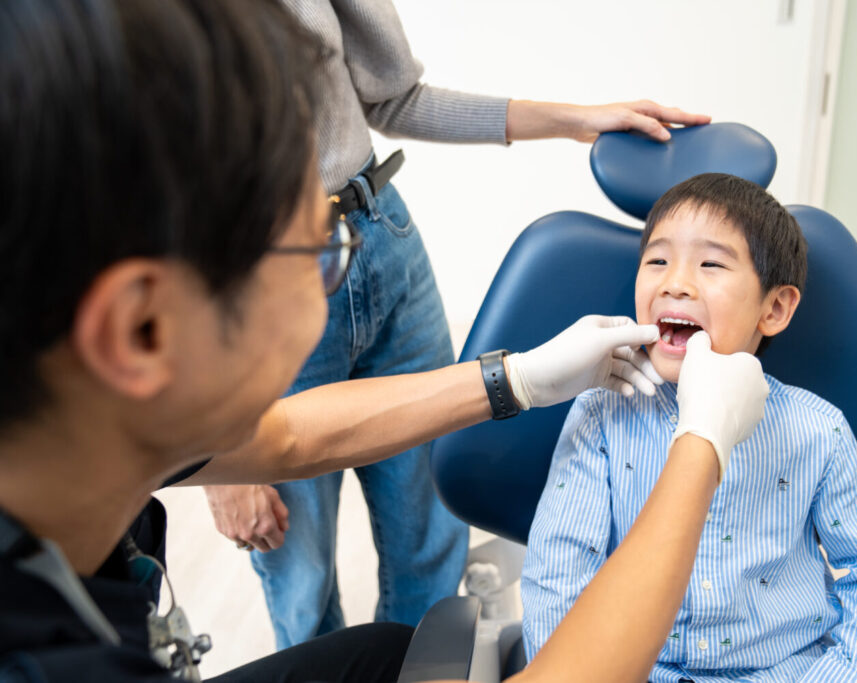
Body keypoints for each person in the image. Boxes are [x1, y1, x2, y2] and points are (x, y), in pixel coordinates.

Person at [0, 1, 771, 681]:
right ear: (143, 330)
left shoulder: (67, 414)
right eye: (319, 252)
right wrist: (702, 445)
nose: (336, 278)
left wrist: (519, 379)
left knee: (385, 653)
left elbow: (289, 436)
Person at [201, 0, 714, 649]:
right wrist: (217, 458)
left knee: (431, 535)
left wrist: (574, 120)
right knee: (299, 571)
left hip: (378, 236)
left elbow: (394, 96)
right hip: (252, 276)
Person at [521, 173, 857, 682]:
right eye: (657, 261)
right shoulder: (602, 416)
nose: (675, 283)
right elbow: (557, 579)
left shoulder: (818, 431)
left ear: (774, 308)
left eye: (710, 264)